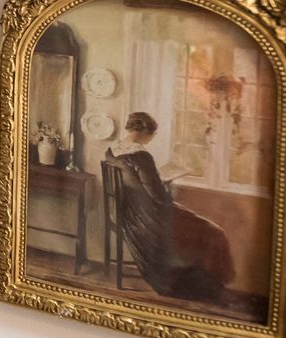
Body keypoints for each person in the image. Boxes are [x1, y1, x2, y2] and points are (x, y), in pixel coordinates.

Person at [104, 111, 257, 316]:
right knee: (212, 231)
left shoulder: (112, 150)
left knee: (199, 227)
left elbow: (137, 184)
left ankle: (209, 282)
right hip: (148, 216)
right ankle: (211, 285)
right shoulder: (141, 155)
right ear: (146, 132)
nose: (152, 139)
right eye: (153, 134)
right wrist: (167, 182)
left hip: (129, 210)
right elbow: (158, 195)